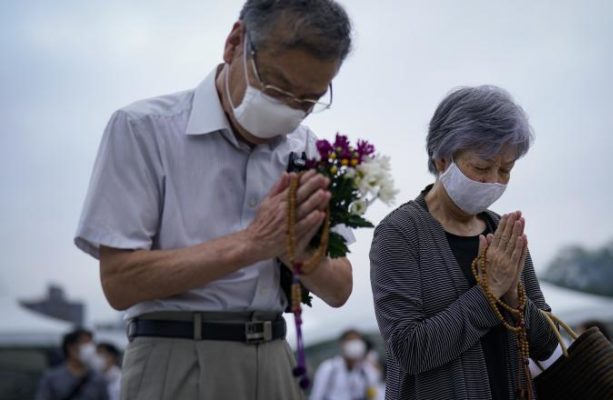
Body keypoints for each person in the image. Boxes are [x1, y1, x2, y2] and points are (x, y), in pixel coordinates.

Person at [74, 1, 354, 399]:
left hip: (276, 357)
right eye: (276, 87)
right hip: (177, 356)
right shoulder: (143, 129)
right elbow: (119, 282)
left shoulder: (306, 149)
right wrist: (252, 244)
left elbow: (340, 288)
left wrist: (296, 247)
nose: (289, 109)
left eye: (307, 101)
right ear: (235, 42)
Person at [370, 86, 558, 399]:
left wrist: (513, 296)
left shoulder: (503, 232)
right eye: (482, 167)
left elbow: (547, 342)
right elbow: (408, 351)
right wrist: (489, 295)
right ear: (443, 158)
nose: (493, 181)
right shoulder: (400, 233)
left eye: (506, 170)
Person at [36, 329, 109, 400]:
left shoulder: (98, 379)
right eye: (85, 343)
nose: (90, 348)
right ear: (71, 347)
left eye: (91, 343)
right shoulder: (52, 378)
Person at [310, 329, 382, 400]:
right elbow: (316, 396)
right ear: (341, 344)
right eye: (350, 340)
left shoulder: (365, 369)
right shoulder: (328, 368)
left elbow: (376, 389)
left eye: (357, 340)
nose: (355, 344)